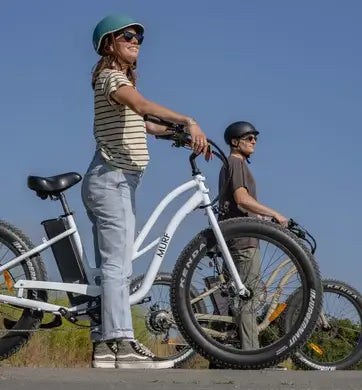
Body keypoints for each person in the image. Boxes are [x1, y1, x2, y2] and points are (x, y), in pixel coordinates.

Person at [81, 13, 208, 369]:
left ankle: (106, 347)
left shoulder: (119, 81)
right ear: (109, 44)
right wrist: (187, 119)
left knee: (114, 264)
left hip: (117, 179)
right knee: (117, 265)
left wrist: (177, 135)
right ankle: (119, 340)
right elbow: (140, 105)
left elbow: (145, 122)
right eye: (127, 37)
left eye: (138, 38)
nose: (135, 41)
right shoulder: (110, 77)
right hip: (112, 178)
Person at [218, 121, 288, 352]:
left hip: (236, 238)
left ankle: (228, 353)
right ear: (235, 142)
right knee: (247, 299)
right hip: (244, 242)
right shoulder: (236, 164)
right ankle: (251, 353)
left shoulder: (232, 165)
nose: (254, 141)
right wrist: (274, 213)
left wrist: (263, 219)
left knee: (236, 299)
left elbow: (240, 206)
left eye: (255, 137)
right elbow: (242, 199)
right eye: (249, 138)